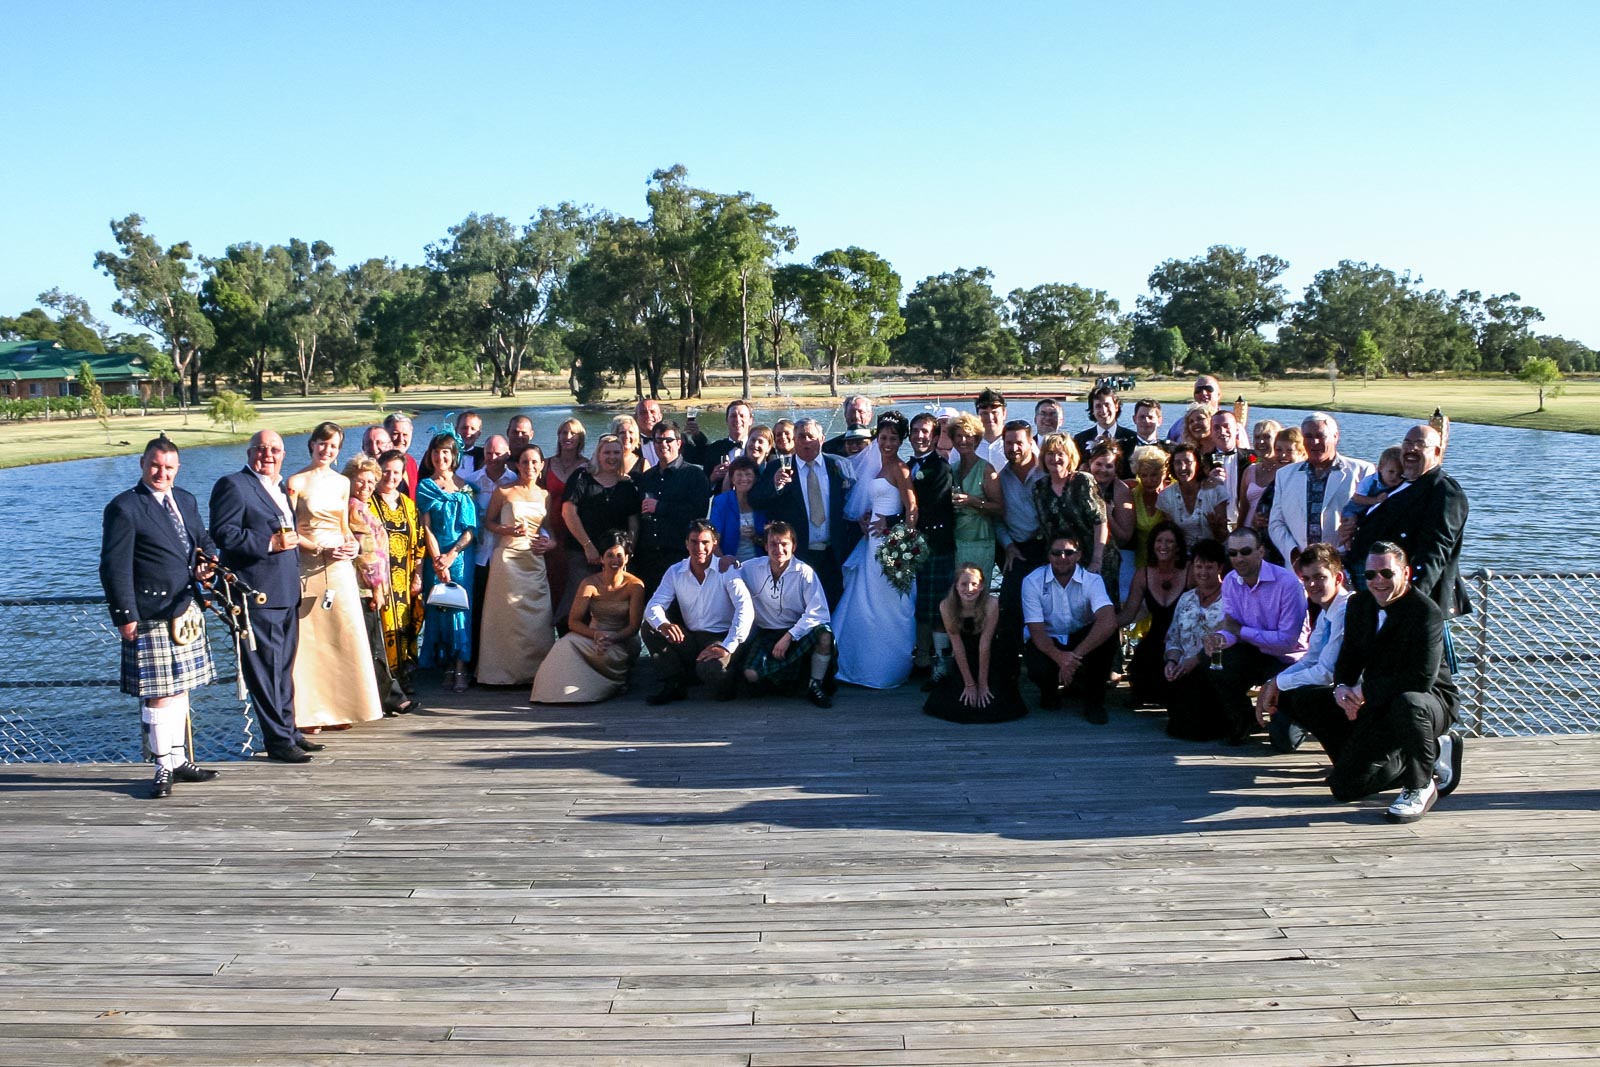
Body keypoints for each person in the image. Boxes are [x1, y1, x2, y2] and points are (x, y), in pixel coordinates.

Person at [1279, 541, 1463, 823]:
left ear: (1406, 573)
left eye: (1387, 574)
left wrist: (1362, 690)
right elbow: (1349, 660)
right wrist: (1342, 689)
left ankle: (1420, 783)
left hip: (1427, 701)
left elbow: (1421, 678)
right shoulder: (1359, 605)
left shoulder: (1425, 612)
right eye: (1370, 575)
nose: (1378, 581)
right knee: (1343, 785)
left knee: (1408, 702)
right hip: (1377, 701)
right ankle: (1428, 753)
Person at [101, 437, 222, 797]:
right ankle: (161, 765)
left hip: (185, 609)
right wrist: (125, 615)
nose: (161, 473)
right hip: (149, 612)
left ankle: (180, 758)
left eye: (169, 467)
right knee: (158, 695)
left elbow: (204, 540)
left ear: (178, 469)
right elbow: (113, 567)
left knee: (181, 688)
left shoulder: (185, 499)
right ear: (142, 463)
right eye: (155, 465)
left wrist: (208, 564)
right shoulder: (125, 507)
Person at [208, 431, 322, 763]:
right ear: (249, 452)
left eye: (274, 449)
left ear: (284, 454)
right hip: (256, 593)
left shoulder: (279, 489)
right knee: (265, 670)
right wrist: (269, 543)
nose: (267, 454)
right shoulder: (233, 485)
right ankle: (277, 741)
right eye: (260, 449)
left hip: (286, 592)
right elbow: (223, 533)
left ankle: (290, 731)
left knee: (283, 668)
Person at [286, 422, 384, 730]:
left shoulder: (343, 483)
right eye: (322, 444)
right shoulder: (296, 481)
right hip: (308, 566)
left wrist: (352, 545)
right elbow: (287, 531)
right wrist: (316, 548)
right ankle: (309, 713)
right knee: (310, 641)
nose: (327, 451)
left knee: (342, 635)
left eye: (334, 447)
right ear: (312, 444)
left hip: (340, 569)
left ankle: (343, 708)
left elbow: (344, 526)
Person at [1346, 425, 1470, 631]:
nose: (1411, 449)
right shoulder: (1400, 483)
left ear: (1437, 452)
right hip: (1377, 594)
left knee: (1423, 663)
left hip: (1408, 604)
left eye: (1420, 444)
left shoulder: (1445, 492)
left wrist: (1408, 603)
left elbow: (1433, 554)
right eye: (1407, 443)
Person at [835, 411, 919, 689]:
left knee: (890, 605)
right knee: (865, 604)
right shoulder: (873, 466)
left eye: (893, 439)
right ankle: (861, 663)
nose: (887, 443)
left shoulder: (901, 469)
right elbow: (873, 500)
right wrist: (866, 517)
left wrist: (897, 536)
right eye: (883, 437)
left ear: (900, 441)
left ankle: (887, 667)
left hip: (891, 546)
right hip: (871, 543)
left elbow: (912, 510)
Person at [1203, 527, 1310, 745]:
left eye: (1245, 551)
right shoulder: (1231, 581)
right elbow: (1232, 625)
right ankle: (1244, 719)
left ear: (1261, 551)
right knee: (1214, 661)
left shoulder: (1288, 583)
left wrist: (1238, 632)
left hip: (1288, 661)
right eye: (1233, 553)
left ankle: (1303, 716)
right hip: (1255, 653)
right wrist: (1221, 639)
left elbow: (1287, 642)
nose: (1239, 558)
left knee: (1284, 742)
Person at [642, 521, 755, 704]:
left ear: (714, 544)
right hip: (691, 638)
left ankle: (730, 680)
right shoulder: (675, 571)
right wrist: (664, 624)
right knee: (651, 628)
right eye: (694, 542)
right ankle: (674, 684)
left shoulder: (727, 570)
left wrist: (727, 646)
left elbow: (745, 609)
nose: (699, 548)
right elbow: (653, 605)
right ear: (686, 543)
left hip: (721, 637)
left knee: (712, 671)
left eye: (705, 542)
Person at [749, 417, 854, 609]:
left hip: (833, 554)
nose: (805, 441)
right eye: (801, 437)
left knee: (833, 607)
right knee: (799, 608)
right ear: (794, 441)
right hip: (798, 555)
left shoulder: (836, 467)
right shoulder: (779, 468)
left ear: (821, 439)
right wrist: (775, 484)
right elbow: (755, 500)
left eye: (810, 436)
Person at [1255, 542, 1350, 752]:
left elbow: (1326, 673)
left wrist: (1279, 682)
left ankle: (1345, 753)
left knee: (1298, 695)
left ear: (1338, 578)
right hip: (1339, 691)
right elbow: (1310, 659)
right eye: (1306, 579)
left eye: (1319, 577)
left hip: (1357, 693)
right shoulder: (1327, 611)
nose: (1312, 585)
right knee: (1287, 704)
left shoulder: (1347, 611)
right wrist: (1273, 682)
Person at [530, 531, 645, 704]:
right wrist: (596, 635)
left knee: (608, 654)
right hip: (593, 637)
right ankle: (550, 692)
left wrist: (612, 637)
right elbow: (573, 621)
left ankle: (605, 684)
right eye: (610, 556)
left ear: (627, 558)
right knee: (564, 644)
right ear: (601, 559)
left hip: (622, 641)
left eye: (620, 556)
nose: (615, 561)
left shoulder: (635, 586)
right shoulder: (589, 583)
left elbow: (634, 627)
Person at [475, 445, 557, 686]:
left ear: (542, 465)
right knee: (506, 619)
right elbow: (488, 522)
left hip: (534, 560)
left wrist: (550, 544)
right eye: (524, 462)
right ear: (517, 465)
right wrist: (506, 529)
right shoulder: (503, 492)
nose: (529, 467)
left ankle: (535, 672)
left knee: (536, 618)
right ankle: (500, 673)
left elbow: (550, 528)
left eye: (534, 462)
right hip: (507, 559)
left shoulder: (545, 496)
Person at [344, 454, 417, 717]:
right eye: (360, 481)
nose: (366, 486)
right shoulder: (354, 509)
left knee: (371, 643)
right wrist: (377, 588)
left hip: (372, 585)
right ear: (350, 480)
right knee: (374, 645)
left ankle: (376, 697)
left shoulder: (361, 507)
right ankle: (392, 698)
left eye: (370, 482)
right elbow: (367, 554)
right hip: (364, 587)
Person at [736, 521, 835, 707]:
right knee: (750, 674)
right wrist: (727, 561)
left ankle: (815, 684)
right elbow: (729, 572)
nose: (778, 549)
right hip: (768, 633)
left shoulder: (805, 572)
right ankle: (789, 680)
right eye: (773, 544)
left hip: (797, 632)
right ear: (765, 546)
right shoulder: (750, 569)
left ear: (794, 546)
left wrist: (790, 636)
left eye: (784, 544)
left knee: (824, 635)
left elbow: (819, 612)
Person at [1022, 533, 1118, 722]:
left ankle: (1095, 703)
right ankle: (1049, 692)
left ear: (1079, 555)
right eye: (1056, 553)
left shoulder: (1093, 580)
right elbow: (1036, 631)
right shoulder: (1031, 581)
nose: (1062, 558)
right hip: (1049, 640)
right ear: (1048, 556)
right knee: (1037, 664)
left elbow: (1108, 620)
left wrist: (1073, 657)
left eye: (1068, 552)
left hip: (1080, 639)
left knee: (1108, 638)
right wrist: (1060, 657)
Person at [1268, 413, 1375, 568]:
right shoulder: (1284, 475)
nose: (1314, 442)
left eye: (1320, 436)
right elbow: (1276, 523)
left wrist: (1339, 553)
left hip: (1343, 565)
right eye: (1308, 436)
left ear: (1336, 436)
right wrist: (1294, 554)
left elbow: (1371, 522)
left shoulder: (1361, 471)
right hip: (1298, 569)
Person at [416, 432, 478, 693]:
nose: (440, 457)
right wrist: (437, 560)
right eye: (436, 451)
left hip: (461, 559)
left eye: (446, 452)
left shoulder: (466, 488)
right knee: (439, 610)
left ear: (454, 456)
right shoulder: (425, 487)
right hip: (434, 558)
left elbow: (471, 529)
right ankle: (445, 666)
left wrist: (452, 555)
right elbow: (426, 528)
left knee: (460, 611)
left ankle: (461, 667)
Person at [559, 433, 641, 629]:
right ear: (598, 454)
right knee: (577, 604)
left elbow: (634, 524)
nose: (611, 457)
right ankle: (572, 648)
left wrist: (627, 553)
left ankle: (611, 650)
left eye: (616, 452)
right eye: (607, 452)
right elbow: (568, 512)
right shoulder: (582, 478)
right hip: (582, 554)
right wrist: (588, 546)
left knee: (612, 609)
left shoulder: (627, 485)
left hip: (615, 559)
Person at [922, 564, 1023, 724]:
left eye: (974, 584)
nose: (969, 589)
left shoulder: (992, 604)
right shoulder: (946, 606)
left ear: (982, 586)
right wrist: (969, 684)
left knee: (993, 702)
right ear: (955, 585)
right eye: (963, 584)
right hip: (964, 657)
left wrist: (982, 684)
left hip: (990, 656)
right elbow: (957, 645)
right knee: (960, 704)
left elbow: (985, 644)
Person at [633, 420, 715, 595]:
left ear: (679, 443)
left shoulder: (695, 475)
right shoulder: (646, 478)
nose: (663, 444)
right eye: (658, 440)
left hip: (679, 556)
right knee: (651, 611)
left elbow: (697, 514)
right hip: (649, 557)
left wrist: (660, 507)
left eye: (668, 440)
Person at [1161, 538, 1231, 740]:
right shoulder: (1186, 598)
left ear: (1220, 567)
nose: (1203, 572)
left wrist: (1198, 660)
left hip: (1215, 666)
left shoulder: (1231, 597)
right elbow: (1173, 636)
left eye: (1209, 567)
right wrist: (1172, 661)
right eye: (1199, 567)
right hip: (1184, 667)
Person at [370, 449, 427, 695]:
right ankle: (383, 682)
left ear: (403, 475)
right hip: (378, 580)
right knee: (381, 627)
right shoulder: (367, 502)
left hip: (404, 580)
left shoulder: (408, 505)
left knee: (404, 626)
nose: (391, 477)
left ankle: (403, 675)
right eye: (386, 471)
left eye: (396, 472)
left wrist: (418, 576)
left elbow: (419, 545)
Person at [994, 419, 1047, 676]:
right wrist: (1008, 546)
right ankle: (1008, 674)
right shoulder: (1000, 478)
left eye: (1019, 443)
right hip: (1018, 550)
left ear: (1031, 443)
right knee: (1009, 609)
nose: (1013, 448)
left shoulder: (1046, 471)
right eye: (1008, 443)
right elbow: (997, 518)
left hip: (1048, 550)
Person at [1118, 521, 1189, 709]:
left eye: (1169, 542)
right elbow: (1129, 614)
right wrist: (1105, 625)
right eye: (1159, 541)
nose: (1163, 546)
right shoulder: (1143, 574)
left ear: (1178, 546)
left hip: (1185, 638)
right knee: (1143, 658)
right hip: (1155, 638)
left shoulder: (1190, 572)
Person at [1034, 434, 1111, 603]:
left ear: (1070, 457)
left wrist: (1097, 560)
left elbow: (1100, 521)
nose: (1055, 458)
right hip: (1063, 561)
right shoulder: (1039, 489)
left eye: (1060, 454)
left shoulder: (1084, 481)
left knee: (1100, 607)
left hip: (1094, 557)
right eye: (1050, 453)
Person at [907, 412, 956, 681]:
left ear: (936, 436)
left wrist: (894, 519)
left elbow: (925, 506)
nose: (920, 435)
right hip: (915, 547)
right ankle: (922, 659)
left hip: (937, 546)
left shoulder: (941, 468)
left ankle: (939, 663)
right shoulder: (908, 464)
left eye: (925, 431)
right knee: (920, 606)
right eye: (915, 431)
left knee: (937, 606)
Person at [464, 435, 514, 676]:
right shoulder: (470, 482)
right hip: (478, 557)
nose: (492, 458)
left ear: (507, 454)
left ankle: (502, 664)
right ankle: (474, 665)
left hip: (507, 558)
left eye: (498, 454)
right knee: (478, 612)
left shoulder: (515, 482)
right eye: (488, 453)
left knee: (504, 613)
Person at [947, 412, 1004, 577]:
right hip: (955, 540)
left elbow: (1000, 508)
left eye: (968, 436)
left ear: (977, 439)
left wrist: (973, 501)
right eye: (958, 436)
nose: (963, 441)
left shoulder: (986, 469)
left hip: (980, 541)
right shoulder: (952, 468)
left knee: (975, 590)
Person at [541, 417, 588, 616]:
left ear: (580, 438)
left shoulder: (588, 466)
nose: (567, 437)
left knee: (575, 587)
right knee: (552, 586)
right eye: (563, 433)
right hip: (551, 533)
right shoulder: (545, 465)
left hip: (576, 535)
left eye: (572, 433)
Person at [1086, 441, 1136, 605]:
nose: (1102, 470)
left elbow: (1125, 538)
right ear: (1090, 463)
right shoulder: (1080, 484)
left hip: (1115, 552)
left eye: (1109, 466)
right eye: (1098, 464)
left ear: (1116, 469)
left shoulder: (1121, 491)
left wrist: (1107, 515)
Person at [1157, 443, 1229, 548]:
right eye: (1177, 463)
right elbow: (1171, 535)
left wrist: (1215, 528)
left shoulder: (1215, 490)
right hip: (1182, 555)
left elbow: (1223, 537)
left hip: (1214, 552)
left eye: (1188, 462)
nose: (1182, 467)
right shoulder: (1166, 496)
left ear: (1198, 464)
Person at [1073, 385, 1139, 479]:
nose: (1103, 411)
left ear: (1116, 406)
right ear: (1092, 410)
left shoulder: (1132, 438)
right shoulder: (1080, 439)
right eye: (1098, 406)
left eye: (1107, 405)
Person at [710, 456, 767, 565]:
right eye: (739, 474)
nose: (744, 478)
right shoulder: (722, 502)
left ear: (755, 478)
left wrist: (755, 536)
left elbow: (770, 541)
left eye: (748, 474)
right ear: (732, 479)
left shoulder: (762, 503)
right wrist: (725, 563)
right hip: (729, 565)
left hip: (759, 565)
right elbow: (713, 540)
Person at [1239, 419, 1284, 537]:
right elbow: (1243, 509)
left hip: (1275, 536)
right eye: (1257, 437)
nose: (1261, 442)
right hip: (1249, 535)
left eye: (1267, 437)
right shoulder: (1250, 470)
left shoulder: (1285, 471)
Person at [692, 399, 753, 486]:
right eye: (733, 416)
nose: (737, 419)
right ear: (727, 420)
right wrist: (712, 478)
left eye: (742, 416)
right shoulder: (714, 449)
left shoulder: (757, 448)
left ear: (750, 420)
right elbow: (703, 488)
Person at [1129, 446, 1171, 571]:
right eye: (1144, 475)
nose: (1149, 480)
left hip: (1170, 560)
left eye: (1154, 475)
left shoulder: (1173, 492)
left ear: (1164, 473)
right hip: (1141, 562)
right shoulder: (1134, 494)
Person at [1166, 375, 1221, 441]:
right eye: (1198, 390)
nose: (1203, 393)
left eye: (1209, 389)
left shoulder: (1228, 421)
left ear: (1218, 395)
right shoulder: (1179, 426)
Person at [383, 413, 418, 499]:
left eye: (405, 435)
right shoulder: (379, 463)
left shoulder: (411, 462)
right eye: (395, 434)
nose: (401, 439)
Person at [973, 388, 1009, 471]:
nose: (990, 417)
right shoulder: (967, 442)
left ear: (1004, 413)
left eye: (994, 412)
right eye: (984, 413)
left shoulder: (1019, 442)